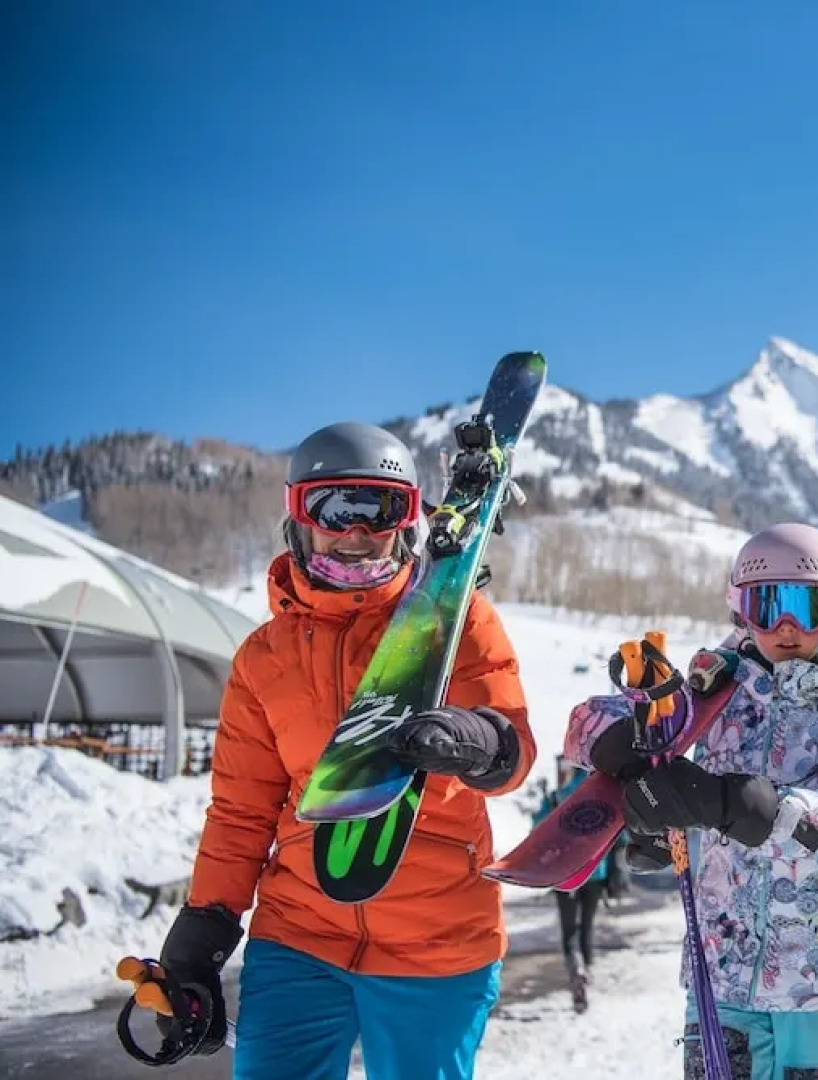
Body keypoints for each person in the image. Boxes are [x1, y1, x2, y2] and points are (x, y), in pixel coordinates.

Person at [138, 422, 534, 1079]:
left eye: (379, 509)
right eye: (333, 508)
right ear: (299, 516)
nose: (355, 531)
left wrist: (480, 741)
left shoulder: (456, 619)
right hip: (299, 932)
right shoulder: (265, 657)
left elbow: (513, 756)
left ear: (408, 519)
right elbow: (240, 813)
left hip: (437, 937)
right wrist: (201, 934)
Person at [565, 523, 818, 1080]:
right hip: (722, 965)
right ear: (739, 611)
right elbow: (586, 723)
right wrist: (617, 745)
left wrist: (734, 803)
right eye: (766, 606)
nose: (786, 627)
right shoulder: (718, 682)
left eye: (807, 606)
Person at [533, 758, 616, 1012]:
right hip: (594, 872)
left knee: (570, 931)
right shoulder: (600, 795)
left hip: (565, 874)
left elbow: (538, 826)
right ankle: (586, 974)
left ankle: (575, 970)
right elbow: (615, 833)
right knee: (587, 927)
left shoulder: (559, 796)